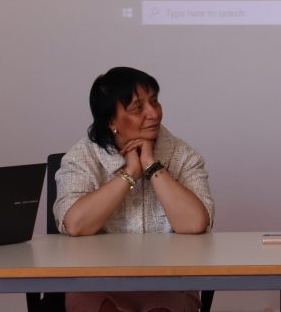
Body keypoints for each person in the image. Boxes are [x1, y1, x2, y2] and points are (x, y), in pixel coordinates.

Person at [53, 66, 215, 312]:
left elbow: (195, 224)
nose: (154, 113)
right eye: (138, 108)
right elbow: (76, 225)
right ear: (111, 121)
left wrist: (151, 165)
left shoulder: (182, 155)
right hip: (96, 284)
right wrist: (129, 173)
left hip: (171, 284)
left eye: (154, 102)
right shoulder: (81, 157)